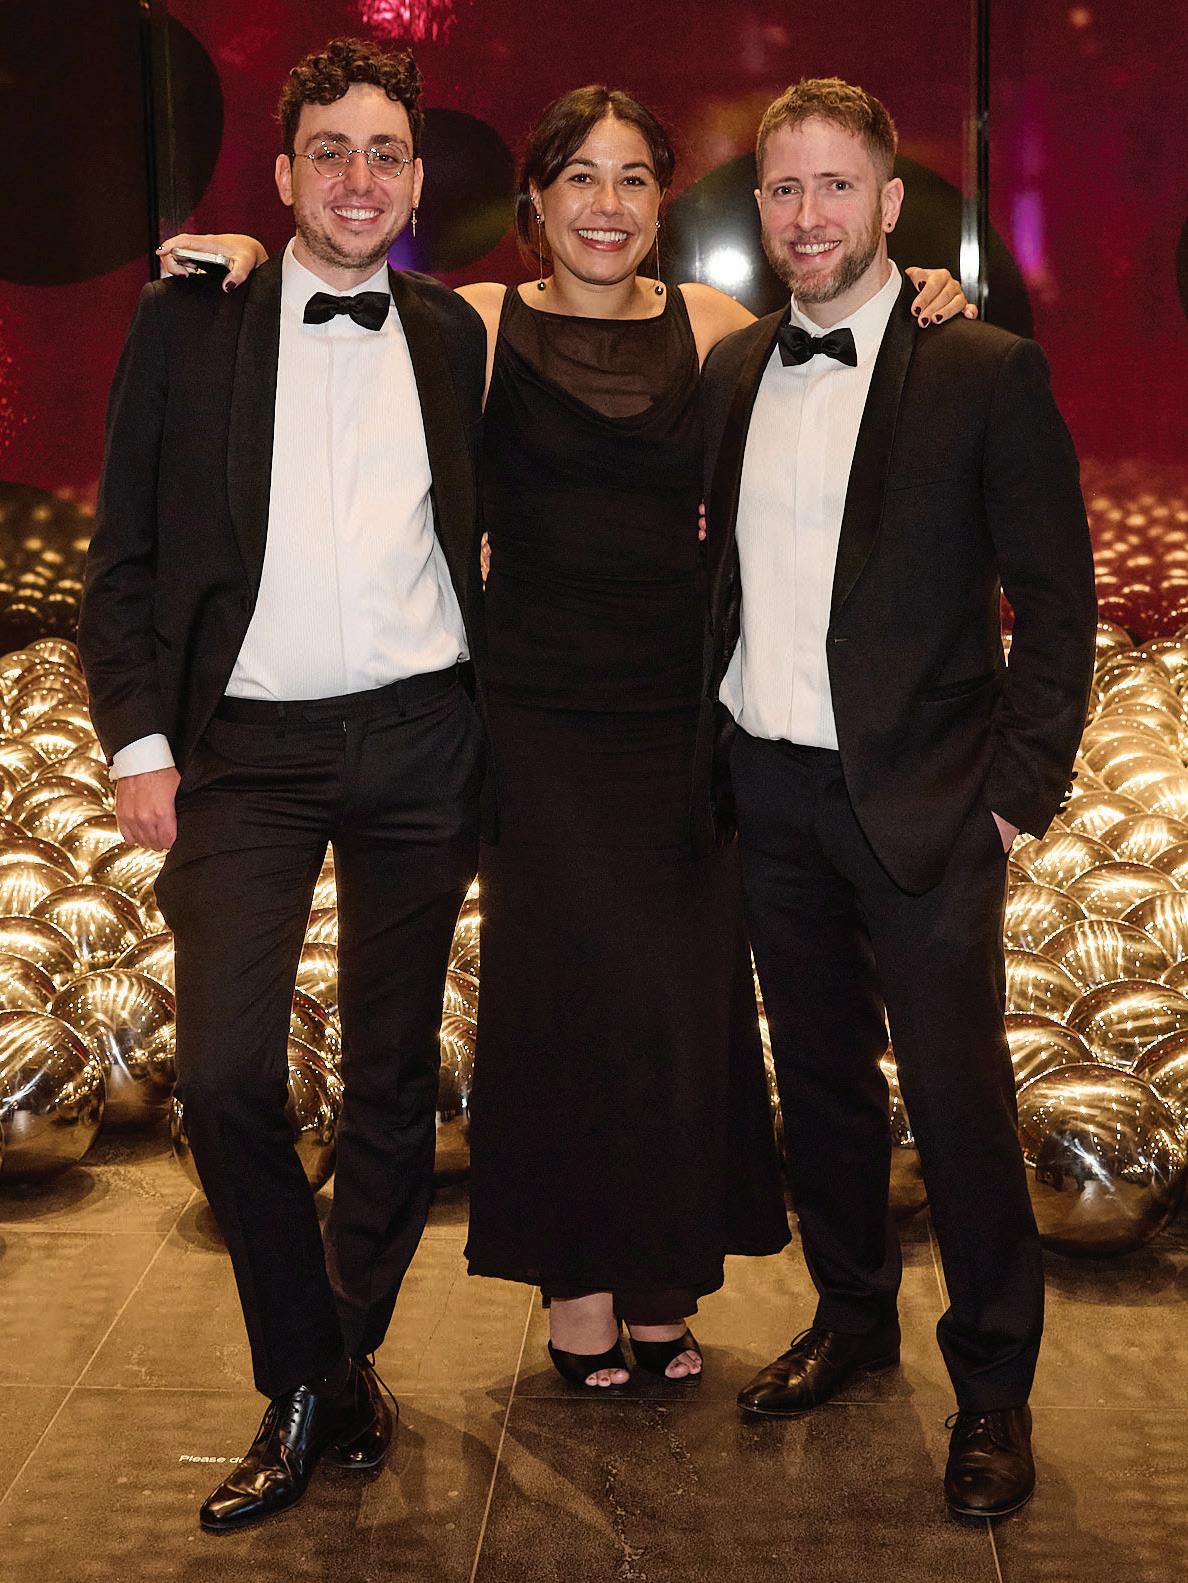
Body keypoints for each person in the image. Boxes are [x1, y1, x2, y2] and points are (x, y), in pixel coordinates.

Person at [162, 88, 971, 1391]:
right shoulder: (474, 326)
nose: (607, 204)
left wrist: (926, 282)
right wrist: (251, 257)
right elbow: (334, 291)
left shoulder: (717, 329)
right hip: (535, 728)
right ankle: (576, 1290)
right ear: (533, 201)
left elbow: (850, 346)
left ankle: (662, 1283)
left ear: (663, 201)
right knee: (560, 1009)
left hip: (680, 723)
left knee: (674, 1010)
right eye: (579, 177)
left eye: (633, 177)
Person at [78, 38, 487, 1532]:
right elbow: (123, 552)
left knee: (390, 1080)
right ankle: (315, 1365)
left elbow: (650, 309)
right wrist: (140, 744)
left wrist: (915, 294)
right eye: (329, 152)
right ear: (280, 172)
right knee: (229, 1079)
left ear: (418, 181)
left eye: (384, 154)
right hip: (246, 753)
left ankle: (329, 1369)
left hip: (425, 740)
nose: (358, 180)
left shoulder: (455, 334)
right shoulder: (189, 323)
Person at [701, 78, 1096, 1517]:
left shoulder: (983, 371)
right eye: (784, 189)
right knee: (818, 1085)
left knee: (958, 1100)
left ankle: (993, 1387)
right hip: (769, 789)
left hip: (931, 803)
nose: (810, 216)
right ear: (761, 209)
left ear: (889, 201)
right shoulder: (732, 372)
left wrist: (1013, 796)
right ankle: (854, 1316)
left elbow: (1059, 605)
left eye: (836, 186)